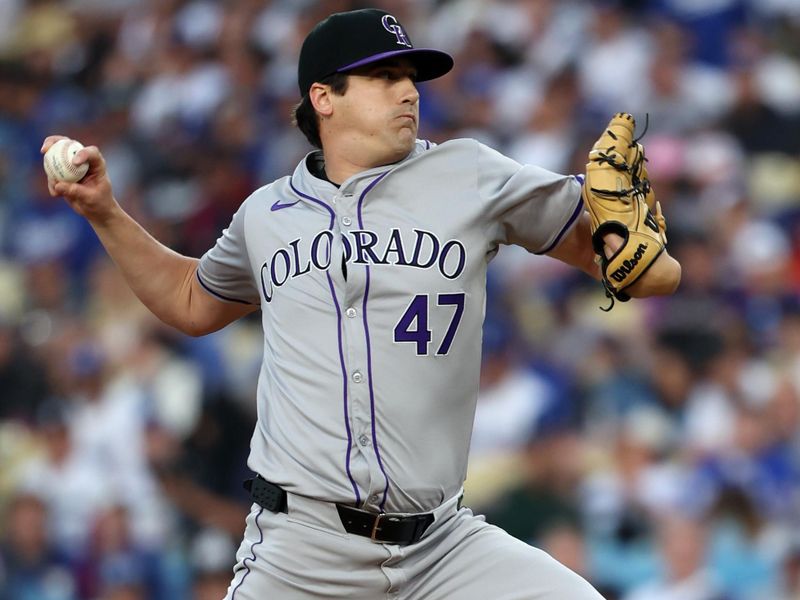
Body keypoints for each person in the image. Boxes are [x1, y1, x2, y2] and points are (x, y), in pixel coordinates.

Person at [42, 8, 681, 599]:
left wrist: (641, 257)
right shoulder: (267, 214)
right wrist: (104, 211)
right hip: (299, 550)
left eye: (411, 77)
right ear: (324, 97)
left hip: (442, 547)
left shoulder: (472, 174)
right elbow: (190, 299)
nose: (408, 91)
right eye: (384, 76)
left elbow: (638, 268)